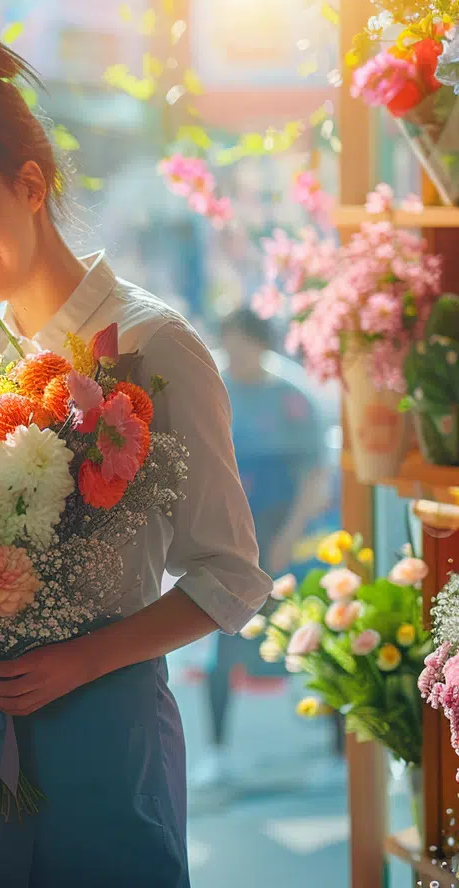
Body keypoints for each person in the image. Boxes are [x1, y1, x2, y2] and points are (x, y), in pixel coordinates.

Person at [0, 24, 271, 887]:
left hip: (105, 728)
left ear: (32, 183)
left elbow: (230, 577)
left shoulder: (155, 347)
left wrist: (82, 660)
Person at [191, 308, 331, 786]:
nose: (235, 353)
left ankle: (338, 752)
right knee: (224, 643)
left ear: (262, 344)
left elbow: (316, 475)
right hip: (231, 533)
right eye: (228, 343)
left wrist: (288, 537)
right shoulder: (214, 388)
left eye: (242, 343)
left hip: (285, 532)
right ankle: (218, 753)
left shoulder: (293, 398)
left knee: (315, 634)